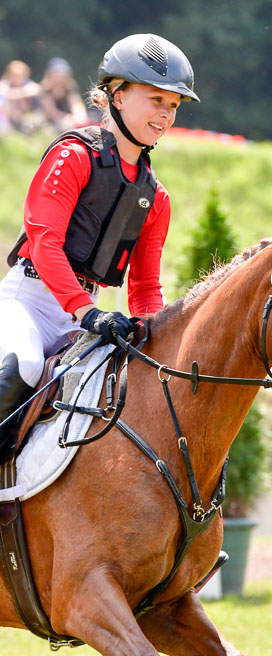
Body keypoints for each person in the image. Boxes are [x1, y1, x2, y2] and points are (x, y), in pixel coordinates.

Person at [0, 33, 199, 458]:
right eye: (155, 99)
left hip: (84, 317)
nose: (165, 114)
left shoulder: (156, 198)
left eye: (173, 105)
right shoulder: (72, 155)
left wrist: (151, 333)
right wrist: (88, 312)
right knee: (23, 367)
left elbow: (145, 287)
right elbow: (45, 242)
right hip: (31, 301)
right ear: (116, 95)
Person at [39, 57, 88, 132]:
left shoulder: (70, 89)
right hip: (50, 123)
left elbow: (77, 106)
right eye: (56, 75)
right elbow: (52, 113)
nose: (59, 79)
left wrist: (79, 118)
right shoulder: (46, 90)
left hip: (68, 121)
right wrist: (68, 118)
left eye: (62, 76)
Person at [0, 60, 43, 134]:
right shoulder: (5, 84)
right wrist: (23, 92)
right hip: (11, 116)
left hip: (28, 113)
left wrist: (17, 93)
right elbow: (4, 93)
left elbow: (37, 89)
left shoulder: (27, 83)